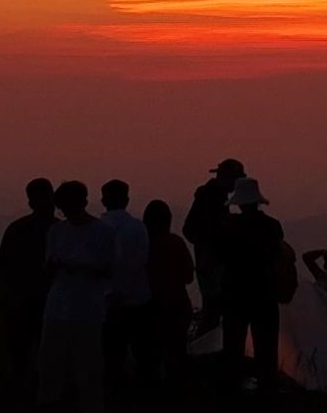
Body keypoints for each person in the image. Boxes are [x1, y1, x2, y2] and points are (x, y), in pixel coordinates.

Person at [36, 180, 115, 413]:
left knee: (89, 370)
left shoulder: (102, 233)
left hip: (86, 310)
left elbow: (107, 269)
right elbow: (48, 267)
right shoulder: (56, 232)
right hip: (57, 308)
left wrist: (75, 265)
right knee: (51, 369)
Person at [0, 177, 56, 413]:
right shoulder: (59, 230)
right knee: (38, 365)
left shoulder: (17, 229)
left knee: (20, 365)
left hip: (23, 306)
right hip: (42, 307)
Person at [216, 177, 285, 389]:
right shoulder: (272, 227)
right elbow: (276, 256)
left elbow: (219, 255)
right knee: (266, 345)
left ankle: (233, 387)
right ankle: (267, 386)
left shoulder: (229, 227)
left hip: (234, 292)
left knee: (233, 344)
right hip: (264, 291)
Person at [96, 180, 156, 399]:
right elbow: (142, 260)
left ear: (103, 200)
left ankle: (114, 397)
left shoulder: (98, 228)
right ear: (127, 200)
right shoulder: (138, 227)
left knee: (111, 355)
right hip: (137, 300)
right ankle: (144, 397)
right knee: (142, 353)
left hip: (107, 303)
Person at [183, 158, 245, 337]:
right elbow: (190, 229)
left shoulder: (213, 196)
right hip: (212, 266)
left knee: (213, 311)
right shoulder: (211, 197)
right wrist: (211, 244)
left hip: (211, 263)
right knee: (213, 312)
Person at [142, 200, 195, 383]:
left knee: (151, 354)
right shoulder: (176, 243)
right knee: (177, 354)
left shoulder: (143, 245)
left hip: (150, 306)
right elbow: (189, 276)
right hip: (178, 306)